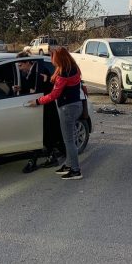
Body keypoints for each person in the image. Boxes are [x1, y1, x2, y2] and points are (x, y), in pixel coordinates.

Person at [25, 48, 84, 180]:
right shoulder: (73, 68)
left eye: (52, 57)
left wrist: (37, 101)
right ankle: (69, 165)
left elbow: (54, 95)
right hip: (76, 105)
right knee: (69, 139)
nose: (51, 60)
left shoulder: (63, 73)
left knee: (69, 141)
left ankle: (75, 170)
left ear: (58, 59)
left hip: (67, 109)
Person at [13, 52, 62, 173]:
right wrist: (21, 89)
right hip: (37, 106)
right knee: (42, 133)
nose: (19, 68)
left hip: (45, 107)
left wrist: (31, 90)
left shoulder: (40, 70)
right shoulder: (30, 72)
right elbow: (32, 88)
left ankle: (38, 160)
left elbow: (43, 89)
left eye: (20, 65)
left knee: (44, 133)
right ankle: (49, 157)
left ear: (27, 62)